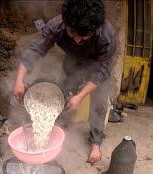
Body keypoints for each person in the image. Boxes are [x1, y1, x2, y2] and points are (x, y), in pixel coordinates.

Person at [13, 0, 117, 163]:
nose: (76, 40)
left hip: (97, 65)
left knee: (98, 102)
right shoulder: (57, 25)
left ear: (95, 29)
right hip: (72, 60)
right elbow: (35, 50)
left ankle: (96, 142)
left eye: (83, 36)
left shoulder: (106, 35)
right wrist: (19, 80)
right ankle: (60, 132)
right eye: (71, 32)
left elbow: (103, 71)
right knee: (64, 94)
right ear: (66, 23)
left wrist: (81, 95)